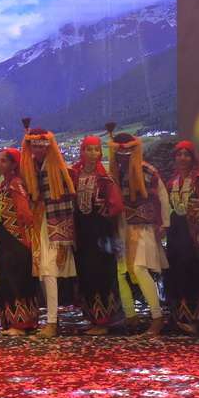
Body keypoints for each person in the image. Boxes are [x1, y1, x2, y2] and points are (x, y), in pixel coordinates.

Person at [19, 121, 78, 338]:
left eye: (41, 146)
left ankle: (52, 322)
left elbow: (66, 202)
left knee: (49, 270)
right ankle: (51, 320)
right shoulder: (32, 168)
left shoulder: (57, 169)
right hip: (40, 223)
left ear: (48, 146)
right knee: (44, 272)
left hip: (55, 224)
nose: (38, 150)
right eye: (34, 146)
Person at [111, 133, 169, 336]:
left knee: (139, 268)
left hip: (143, 228)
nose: (123, 157)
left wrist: (164, 223)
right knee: (120, 271)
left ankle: (157, 317)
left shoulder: (147, 170)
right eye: (120, 153)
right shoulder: (115, 174)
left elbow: (162, 195)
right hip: (122, 227)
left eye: (127, 152)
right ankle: (130, 315)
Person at [71, 135, 124, 336]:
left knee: (102, 273)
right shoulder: (75, 174)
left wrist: (104, 214)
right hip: (83, 230)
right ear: (82, 151)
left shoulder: (105, 178)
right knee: (86, 274)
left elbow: (116, 205)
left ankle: (105, 321)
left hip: (101, 231)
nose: (93, 153)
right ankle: (94, 318)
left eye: (96, 150)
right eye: (88, 149)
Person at [163, 141, 199, 334]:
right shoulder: (172, 182)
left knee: (193, 272)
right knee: (176, 272)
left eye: (186, 154)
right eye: (179, 154)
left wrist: (196, 219)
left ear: (192, 158)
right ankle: (179, 317)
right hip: (175, 234)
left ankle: (196, 318)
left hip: (194, 234)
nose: (182, 158)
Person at [0, 147, 39, 335]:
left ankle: (20, 323)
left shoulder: (15, 184)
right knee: (7, 277)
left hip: (16, 239)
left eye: (4, 160)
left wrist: (23, 232)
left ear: (14, 165)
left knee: (15, 278)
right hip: (6, 237)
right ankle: (14, 322)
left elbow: (25, 213)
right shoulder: (5, 184)